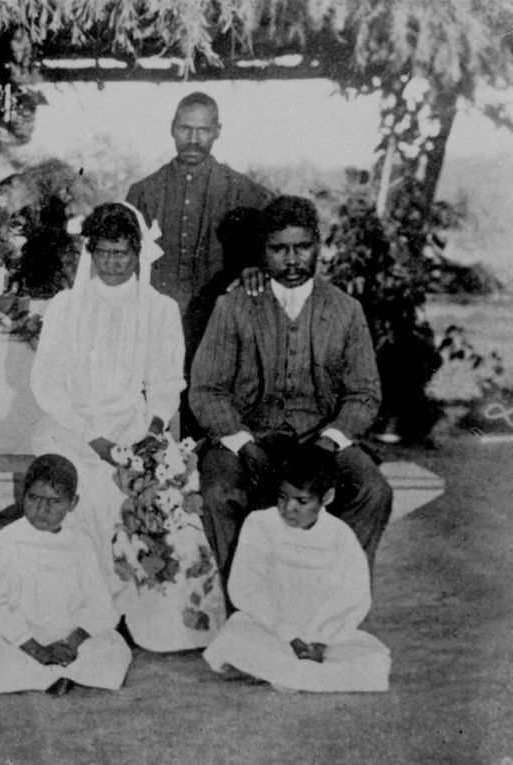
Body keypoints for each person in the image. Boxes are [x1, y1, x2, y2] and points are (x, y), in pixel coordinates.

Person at [29, 202, 222, 651]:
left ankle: (153, 616)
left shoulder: (159, 309)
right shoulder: (65, 306)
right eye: (104, 253)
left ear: (138, 253)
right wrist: (94, 439)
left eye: (123, 253)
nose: (113, 264)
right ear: (90, 252)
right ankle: (94, 614)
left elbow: (166, 384)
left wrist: (151, 435)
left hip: (137, 428)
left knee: (166, 491)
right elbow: (48, 385)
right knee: (94, 491)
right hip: (73, 427)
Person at [189, 195, 393, 599]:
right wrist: (243, 444)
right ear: (262, 252)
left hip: (323, 437)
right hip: (248, 435)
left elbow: (365, 394)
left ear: (319, 245)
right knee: (218, 491)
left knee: (372, 490)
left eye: (302, 247)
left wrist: (328, 443)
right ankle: (246, 607)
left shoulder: (345, 310)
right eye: (279, 249)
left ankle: (336, 601)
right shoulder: (234, 306)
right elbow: (206, 389)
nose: (292, 260)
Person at [126, 92, 272, 434]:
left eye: (203, 130)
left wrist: (255, 264)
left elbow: (273, 250)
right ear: (172, 129)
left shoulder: (245, 192)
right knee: (150, 417)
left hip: (215, 328)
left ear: (217, 131)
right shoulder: (144, 192)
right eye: (185, 128)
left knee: (207, 412)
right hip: (157, 325)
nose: (193, 139)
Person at [0, 454, 131, 695]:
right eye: (34, 498)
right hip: (15, 634)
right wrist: (32, 647)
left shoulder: (81, 543)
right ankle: (53, 672)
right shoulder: (4, 541)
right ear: (22, 496)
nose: (42, 509)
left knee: (114, 648)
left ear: (73, 503)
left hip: (67, 634)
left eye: (54, 501)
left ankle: (45, 671)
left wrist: (73, 642)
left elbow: (98, 600)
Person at [203, 446, 391, 692]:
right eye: (282, 497)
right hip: (271, 624)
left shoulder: (339, 535)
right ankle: (296, 670)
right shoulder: (260, 524)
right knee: (237, 637)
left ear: (326, 497)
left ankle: (285, 669)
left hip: (322, 629)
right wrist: (290, 636)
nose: (288, 508)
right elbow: (246, 586)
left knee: (372, 661)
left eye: (301, 501)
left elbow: (352, 595)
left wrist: (321, 641)